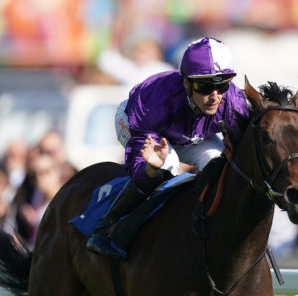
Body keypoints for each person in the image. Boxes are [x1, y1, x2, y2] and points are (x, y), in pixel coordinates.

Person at [87, 36, 250, 257]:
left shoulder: (233, 102)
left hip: (193, 134)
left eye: (222, 85)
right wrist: (150, 170)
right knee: (166, 168)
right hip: (138, 123)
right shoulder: (155, 100)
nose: (215, 97)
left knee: (217, 164)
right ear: (186, 83)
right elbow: (140, 162)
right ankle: (106, 229)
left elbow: (244, 156)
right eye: (205, 86)